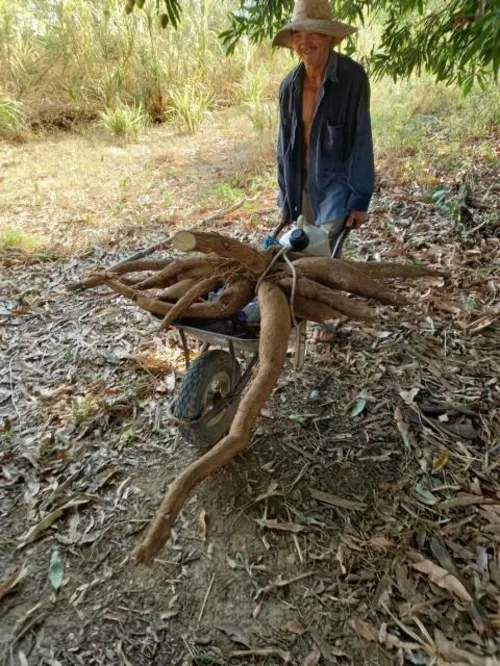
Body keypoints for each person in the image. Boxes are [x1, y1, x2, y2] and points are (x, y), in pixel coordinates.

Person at [272, 0, 375, 340]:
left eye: (314, 33)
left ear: (329, 37)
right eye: (299, 34)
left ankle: (327, 318)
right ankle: (302, 308)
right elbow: (284, 145)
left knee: (327, 254)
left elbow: (361, 138)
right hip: (300, 183)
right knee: (298, 247)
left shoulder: (351, 78)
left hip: (336, 186)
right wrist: (286, 195)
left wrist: (360, 198)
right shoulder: (289, 86)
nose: (305, 42)